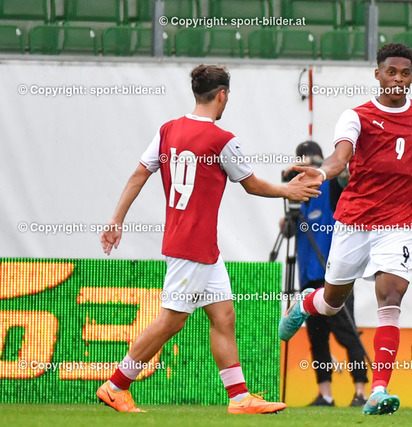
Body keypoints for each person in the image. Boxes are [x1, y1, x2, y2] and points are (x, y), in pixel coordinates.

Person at [97, 64, 320, 414]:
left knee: (223, 315)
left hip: (197, 246)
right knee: (171, 321)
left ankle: (239, 398)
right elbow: (251, 185)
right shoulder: (221, 140)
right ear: (222, 95)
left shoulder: (168, 130)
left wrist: (116, 219)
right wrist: (287, 189)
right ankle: (116, 385)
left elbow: (139, 174)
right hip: (193, 246)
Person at [278, 43, 412, 415]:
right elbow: (340, 158)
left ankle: (378, 390)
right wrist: (321, 173)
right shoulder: (357, 116)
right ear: (378, 74)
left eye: (405, 73)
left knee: (391, 297)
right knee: (332, 303)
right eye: (391, 72)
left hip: (399, 222)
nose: (397, 79)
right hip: (355, 221)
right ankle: (306, 303)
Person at [286, 141, 368, 407]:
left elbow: (343, 176)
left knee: (348, 333)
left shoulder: (330, 187)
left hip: (333, 275)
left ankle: (360, 392)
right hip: (308, 277)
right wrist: (288, 202)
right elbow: (288, 231)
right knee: (317, 338)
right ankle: (326, 394)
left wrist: (323, 170)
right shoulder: (298, 196)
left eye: (310, 165)